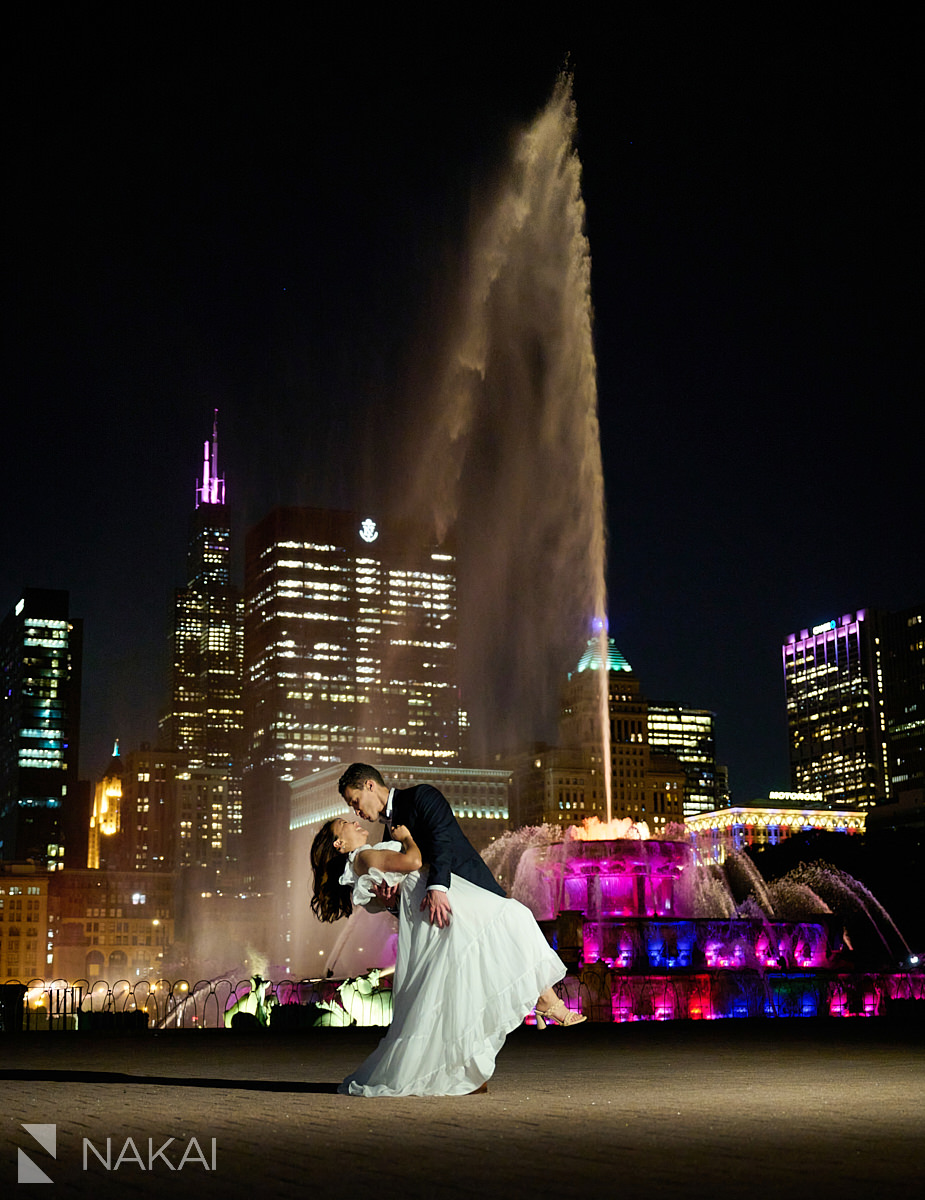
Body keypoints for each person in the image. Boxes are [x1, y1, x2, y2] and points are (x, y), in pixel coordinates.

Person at [311, 813, 582, 1097]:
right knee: (512, 917)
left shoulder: (359, 865)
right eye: (344, 824)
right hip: (441, 900)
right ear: (339, 843)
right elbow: (413, 862)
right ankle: (542, 1002)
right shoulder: (363, 858)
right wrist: (405, 838)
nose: (354, 821)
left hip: (431, 904)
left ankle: (527, 1014)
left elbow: (384, 899)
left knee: (461, 977)